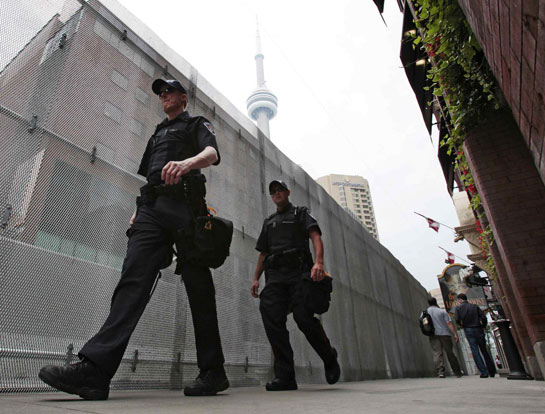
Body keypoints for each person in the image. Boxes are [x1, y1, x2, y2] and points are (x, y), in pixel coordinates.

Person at [38, 79, 228, 399]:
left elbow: (212, 153)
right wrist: (139, 210)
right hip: (152, 210)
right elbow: (150, 179)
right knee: (133, 280)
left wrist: (186, 163)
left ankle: (213, 371)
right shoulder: (156, 133)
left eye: (170, 91)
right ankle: (96, 372)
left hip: (187, 209)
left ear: (183, 97)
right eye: (161, 92)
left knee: (198, 288)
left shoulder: (195, 124)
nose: (164, 95)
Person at [251, 180, 340, 391]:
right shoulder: (269, 221)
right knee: (270, 313)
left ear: (287, 192)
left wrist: (319, 262)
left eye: (280, 189)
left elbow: (315, 236)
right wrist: (255, 278)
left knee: (302, 317)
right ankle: (285, 377)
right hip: (275, 278)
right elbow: (263, 253)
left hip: (299, 275)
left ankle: (329, 357)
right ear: (271, 196)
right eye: (273, 191)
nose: (277, 193)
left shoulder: (301, 213)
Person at [454, 293, 496, 378]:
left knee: (475, 350)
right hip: (478, 328)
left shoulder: (458, 308)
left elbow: (457, 319)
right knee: (484, 350)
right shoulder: (474, 306)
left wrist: (461, 325)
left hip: (468, 329)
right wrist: (483, 326)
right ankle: (492, 371)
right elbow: (483, 317)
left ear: (460, 300)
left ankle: (484, 372)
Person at [426, 297, 463, 378]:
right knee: (450, 353)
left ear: (428, 303)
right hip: (445, 334)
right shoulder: (442, 311)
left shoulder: (425, 312)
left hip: (433, 335)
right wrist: (455, 334)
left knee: (437, 353)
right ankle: (457, 372)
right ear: (436, 302)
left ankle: (441, 372)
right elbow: (449, 323)